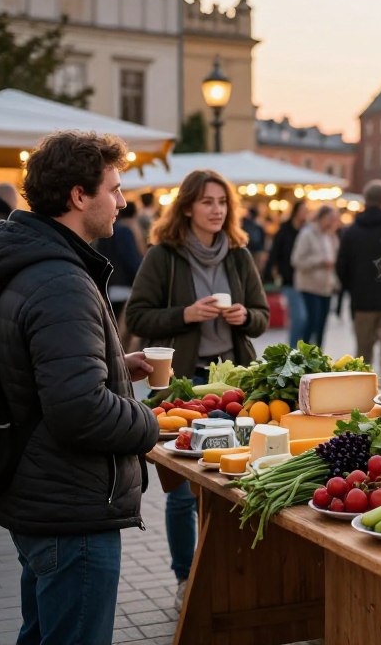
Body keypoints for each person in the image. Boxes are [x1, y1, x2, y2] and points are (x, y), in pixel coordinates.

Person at [0, 131, 159, 645]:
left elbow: (38, 373)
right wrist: (151, 424)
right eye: (115, 188)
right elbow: (79, 409)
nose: (124, 202)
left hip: (42, 495)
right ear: (79, 196)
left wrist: (114, 365)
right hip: (70, 507)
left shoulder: (35, 263)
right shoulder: (59, 280)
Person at [125, 169, 269, 610]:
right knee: (182, 489)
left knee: (234, 478)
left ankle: (228, 572)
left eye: (222, 202)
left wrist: (245, 317)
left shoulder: (239, 255)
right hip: (182, 387)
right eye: (207, 201)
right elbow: (137, 317)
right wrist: (185, 315)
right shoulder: (164, 256)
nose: (216, 209)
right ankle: (186, 576)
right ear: (187, 206)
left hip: (234, 385)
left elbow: (261, 316)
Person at [336, 180, 381, 376]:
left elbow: (341, 268)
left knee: (362, 358)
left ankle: (362, 402)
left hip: (362, 304)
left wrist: (353, 289)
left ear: (366, 201)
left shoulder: (351, 232)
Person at [290, 204, 340, 348]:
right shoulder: (307, 234)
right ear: (321, 217)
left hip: (326, 286)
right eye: (329, 219)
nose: (332, 222)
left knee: (321, 326)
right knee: (311, 323)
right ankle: (304, 355)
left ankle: (318, 354)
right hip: (309, 286)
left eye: (334, 219)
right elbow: (296, 260)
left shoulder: (331, 236)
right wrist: (319, 262)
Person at [263, 201, 308, 346]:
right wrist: (268, 275)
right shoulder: (284, 231)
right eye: (303, 210)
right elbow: (274, 254)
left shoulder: (306, 231)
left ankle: (304, 349)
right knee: (299, 317)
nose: (305, 214)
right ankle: (294, 349)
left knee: (306, 318)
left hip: (307, 281)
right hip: (290, 280)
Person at [95, 200, 144, 320]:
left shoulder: (108, 230)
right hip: (124, 288)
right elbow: (132, 261)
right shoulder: (124, 231)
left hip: (109, 287)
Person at [241, 205, 267, 271]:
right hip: (257, 249)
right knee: (255, 268)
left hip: (247, 248)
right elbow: (263, 238)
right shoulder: (259, 225)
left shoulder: (245, 223)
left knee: (247, 267)